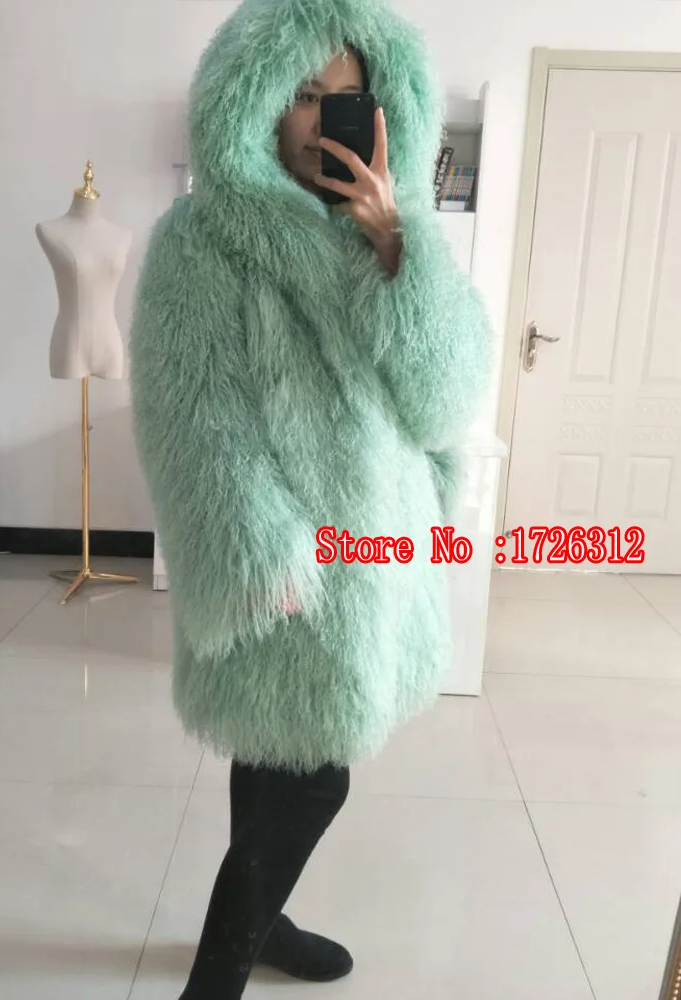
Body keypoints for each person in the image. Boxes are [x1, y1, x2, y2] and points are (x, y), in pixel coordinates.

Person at [129, 0, 494, 996]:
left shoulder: (398, 235)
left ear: (381, 108)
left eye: (344, 96)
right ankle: (217, 976)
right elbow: (189, 411)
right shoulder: (200, 240)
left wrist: (399, 250)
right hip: (290, 569)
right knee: (314, 778)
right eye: (299, 94)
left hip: (381, 559)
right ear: (251, 98)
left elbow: (448, 401)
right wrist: (258, 552)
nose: (322, 117)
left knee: (272, 763)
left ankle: (268, 920)